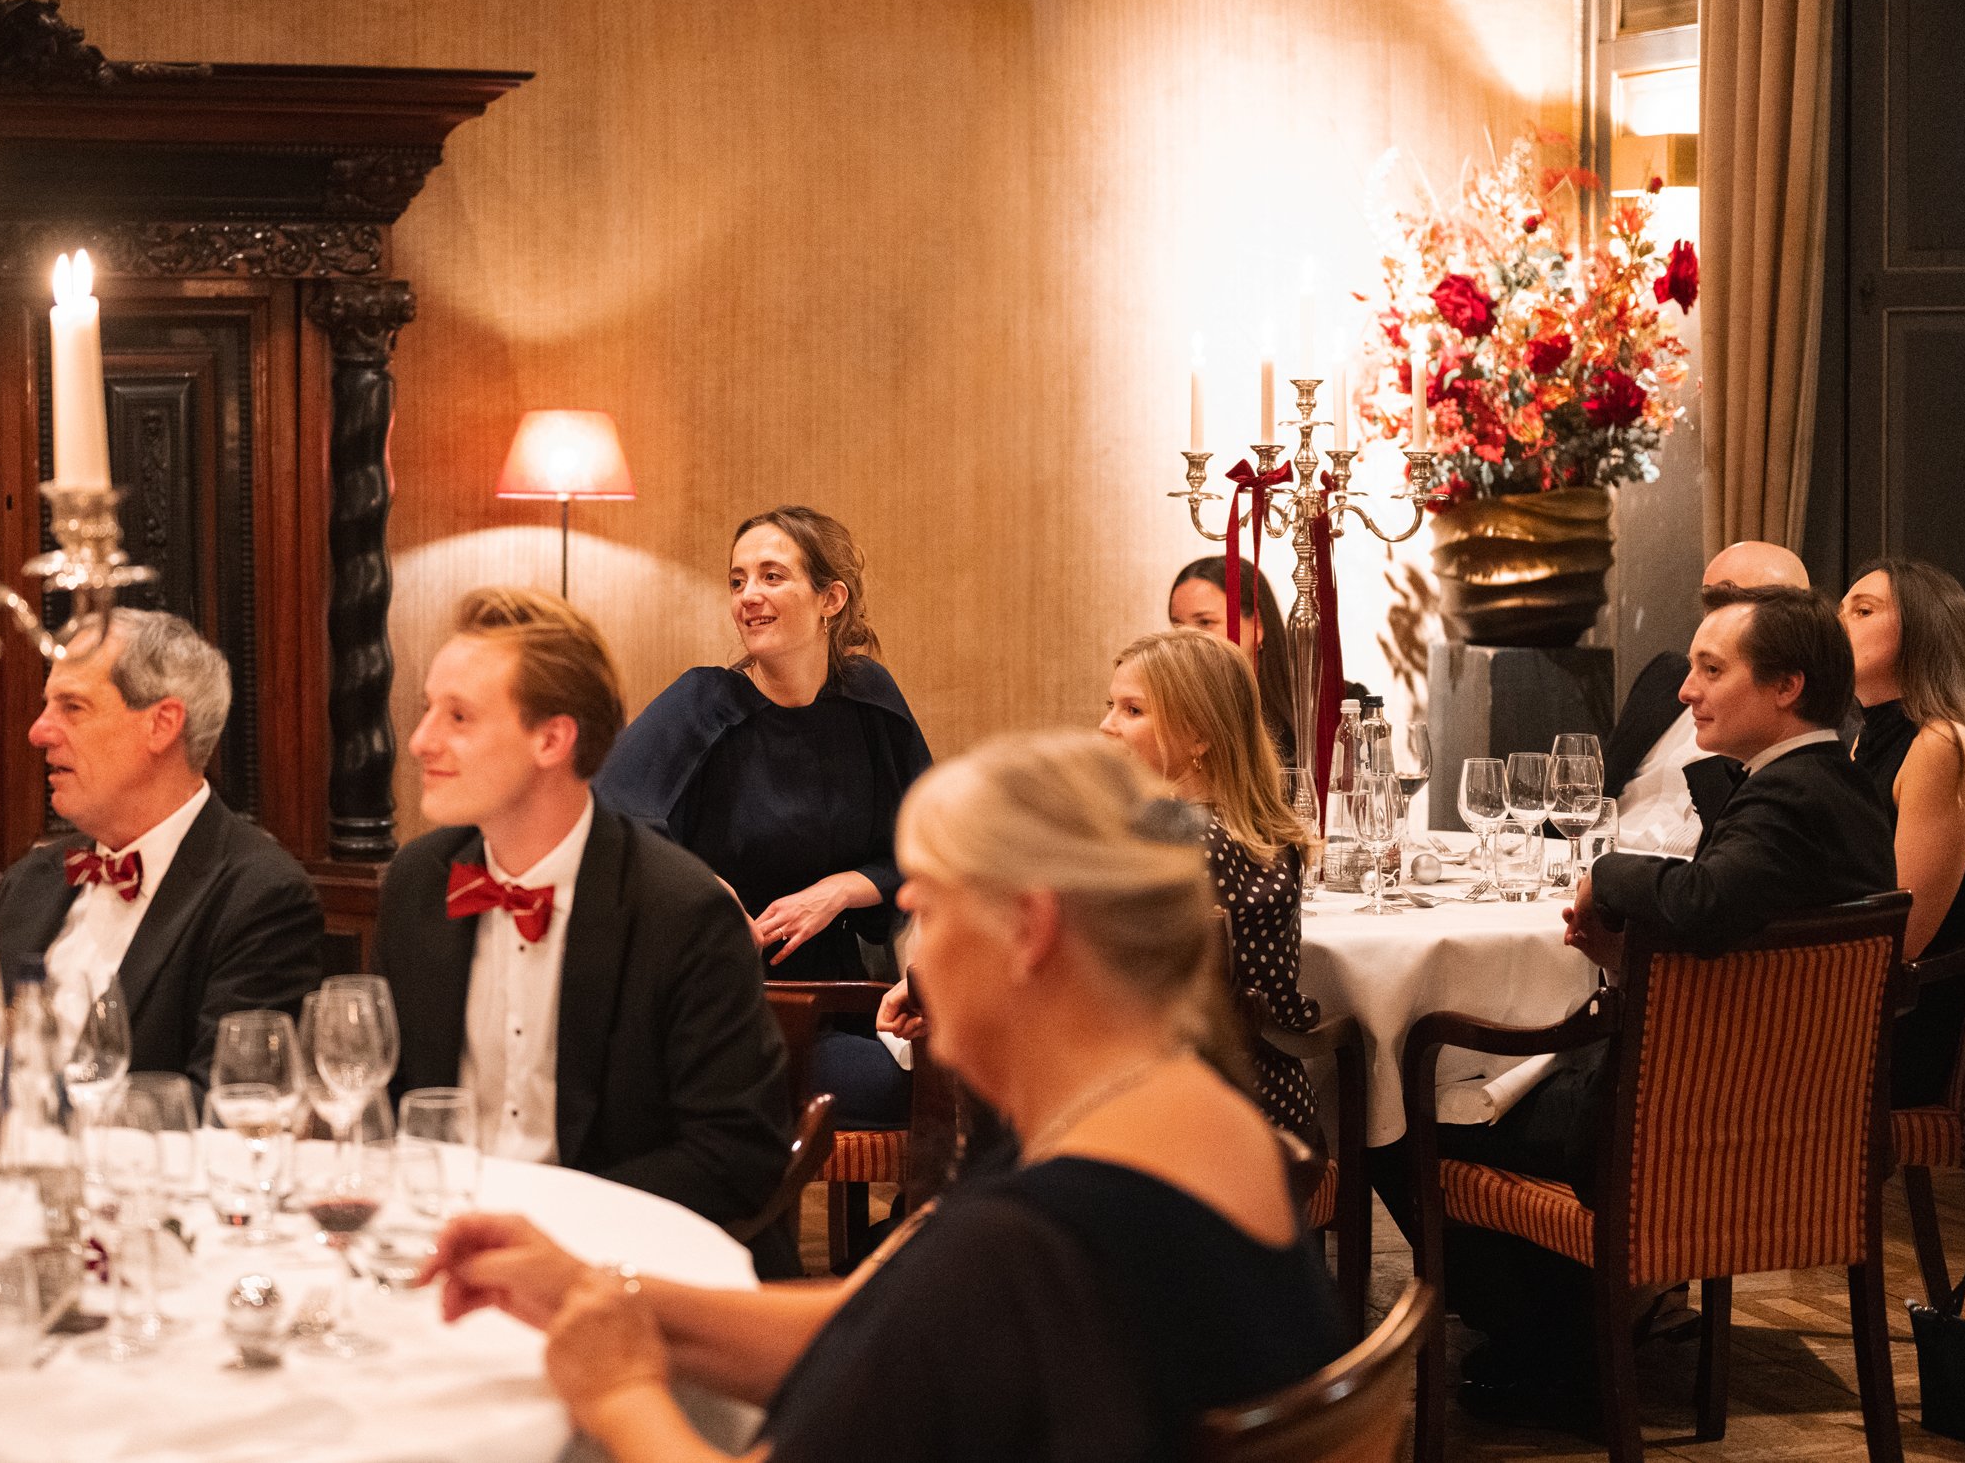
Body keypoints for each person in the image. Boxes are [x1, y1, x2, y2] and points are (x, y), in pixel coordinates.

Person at [418, 732, 1350, 1463]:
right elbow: (878, 1327)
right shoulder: (1197, 1117)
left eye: (931, 911)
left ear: (1029, 928)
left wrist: (620, 1393)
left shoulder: (1029, 1243)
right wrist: (593, 1290)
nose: (917, 957)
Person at [1434, 584, 1894, 1433]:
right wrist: (1634, 956)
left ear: (1786, 686)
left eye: (1711, 670)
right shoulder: (1844, 789)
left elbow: (1706, 897)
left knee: (1416, 1103)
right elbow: (1740, 946)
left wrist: (1607, 872)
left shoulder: (1791, 796)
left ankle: (1558, 1348)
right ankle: (1574, 1331)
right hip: (1785, 1115)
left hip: (1683, 1124)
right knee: (1493, 1083)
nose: (1684, 692)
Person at [379, 587, 792, 1250]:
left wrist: (546, 1221)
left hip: (622, 1269)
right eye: (429, 710)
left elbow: (737, 1155)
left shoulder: (681, 911)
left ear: (552, 738)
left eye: (458, 716)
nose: (422, 739)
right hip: (443, 1251)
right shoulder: (420, 884)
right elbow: (388, 1100)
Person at [597, 506, 931, 1129]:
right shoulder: (702, 702)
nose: (749, 597)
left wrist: (839, 891)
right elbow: (611, 826)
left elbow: (926, 848)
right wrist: (711, 896)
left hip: (842, 1000)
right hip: (716, 1007)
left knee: (946, 1086)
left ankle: (895, 1231)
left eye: (772, 576)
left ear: (831, 598)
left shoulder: (870, 700)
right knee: (890, 1094)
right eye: (737, 580)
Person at [0, 609, 324, 1091]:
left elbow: (226, 1108)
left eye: (73, 707)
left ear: (162, 724)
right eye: (48, 706)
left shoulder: (261, 898)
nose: (38, 731)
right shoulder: (29, 883)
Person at [1099, 628, 1323, 1144]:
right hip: (1272, 1099)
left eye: (1133, 711)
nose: (1106, 726)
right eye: (1111, 706)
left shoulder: (1181, 840)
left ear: (1200, 736)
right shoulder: (1256, 829)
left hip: (1203, 1117)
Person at [1840, 558, 1965, 1107]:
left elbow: (1900, 936)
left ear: (1924, 631)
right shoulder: (1860, 741)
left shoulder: (1942, 744)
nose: (1838, 623)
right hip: (1854, 1000)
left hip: (1902, 1030)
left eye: (1862, 611)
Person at [1605, 540, 1810, 855]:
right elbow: (1593, 792)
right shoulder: (1667, 677)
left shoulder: (1785, 716)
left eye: (1735, 603)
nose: (1687, 693)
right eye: (1711, 601)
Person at [1171, 555, 1300, 762]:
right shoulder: (1171, 710)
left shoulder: (1324, 708)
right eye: (1177, 626)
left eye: (1205, 622)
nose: (1185, 639)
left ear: (1257, 626)